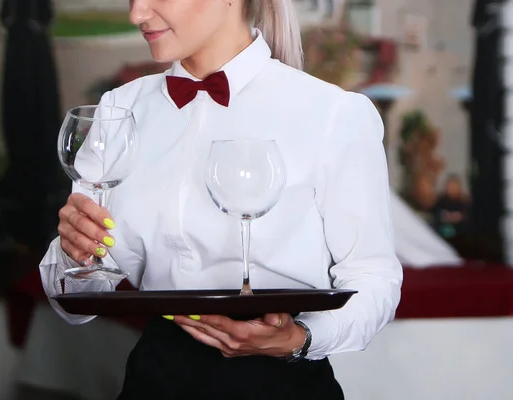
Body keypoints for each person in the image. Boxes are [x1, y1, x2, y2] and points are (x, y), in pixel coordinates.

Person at [39, 0, 403, 398]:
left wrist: (300, 338)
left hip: (282, 386)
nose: (137, 14)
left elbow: (374, 279)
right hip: (155, 377)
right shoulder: (119, 110)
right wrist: (76, 253)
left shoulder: (331, 113)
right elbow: (80, 299)